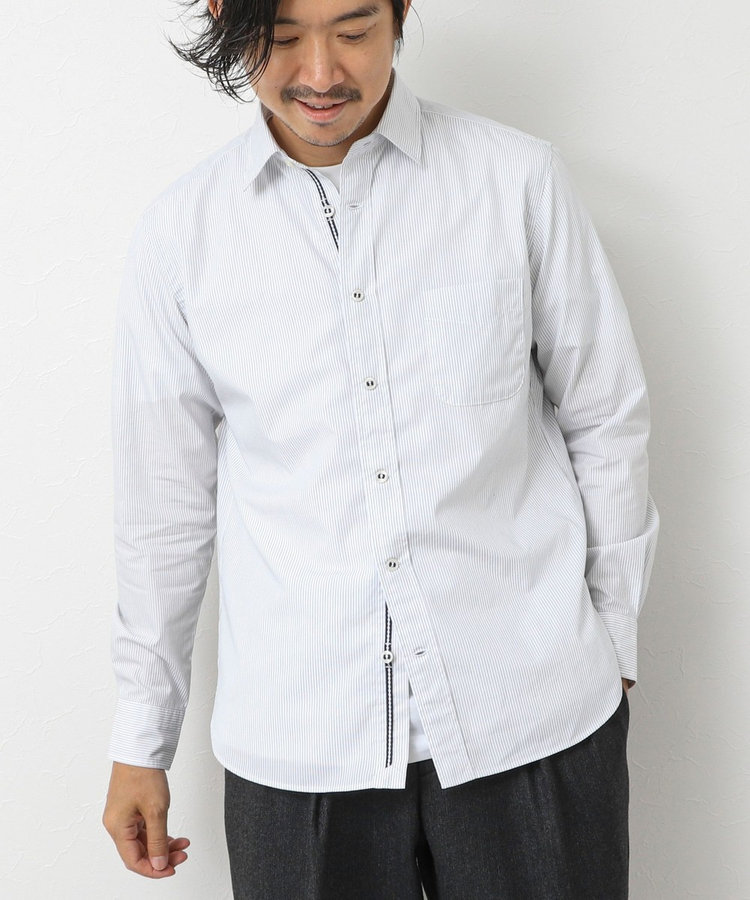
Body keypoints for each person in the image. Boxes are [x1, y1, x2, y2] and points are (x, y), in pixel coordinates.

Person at [101, 0, 659, 896]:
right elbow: (164, 508)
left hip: (532, 717)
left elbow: (605, 415)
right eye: (283, 38)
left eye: (355, 31)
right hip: (299, 748)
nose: (322, 73)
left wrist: (615, 641)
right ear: (224, 16)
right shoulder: (181, 234)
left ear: (400, 12)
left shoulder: (516, 180)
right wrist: (141, 738)